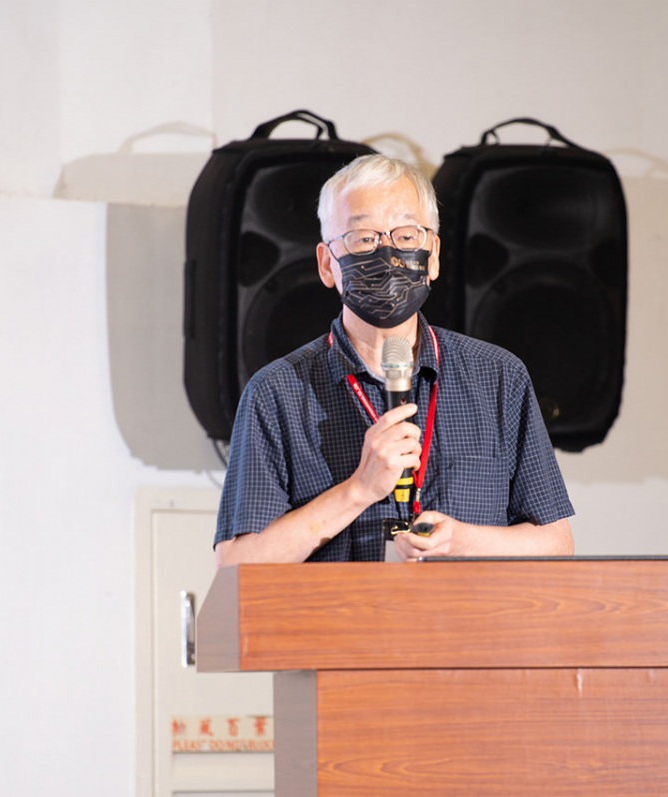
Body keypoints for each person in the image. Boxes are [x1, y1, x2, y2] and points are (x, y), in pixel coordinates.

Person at [213, 154, 574, 564]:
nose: (387, 253)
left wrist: (462, 542)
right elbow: (236, 563)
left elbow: (556, 542)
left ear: (433, 256)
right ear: (327, 264)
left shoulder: (498, 377)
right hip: (340, 608)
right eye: (364, 238)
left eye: (405, 236)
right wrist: (359, 490)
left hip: (463, 606)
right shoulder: (276, 393)